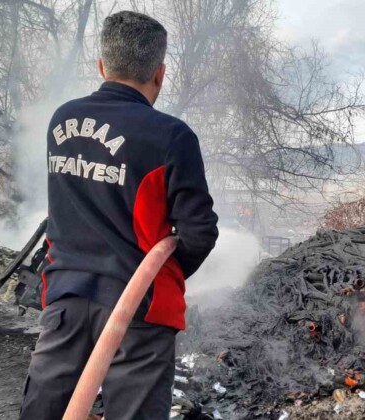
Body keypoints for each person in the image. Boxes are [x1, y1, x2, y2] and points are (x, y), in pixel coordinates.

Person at [20, 11, 219, 419]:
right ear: (160, 74)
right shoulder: (171, 136)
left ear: (101, 66)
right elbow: (199, 231)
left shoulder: (64, 120)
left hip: (65, 298)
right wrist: (161, 272)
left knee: (45, 408)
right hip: (138, 311)